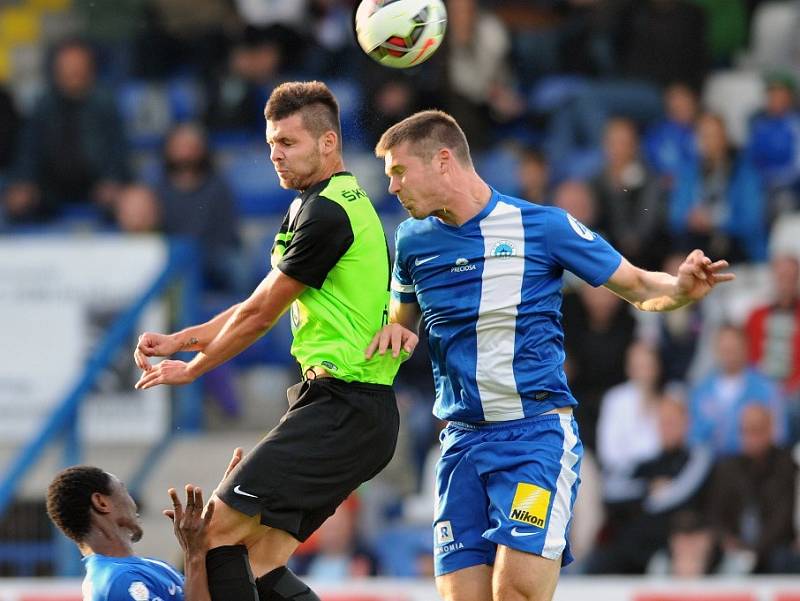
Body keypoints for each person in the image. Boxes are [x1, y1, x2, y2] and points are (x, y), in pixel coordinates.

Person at [366, 109, 734, 601]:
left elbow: (642, 287)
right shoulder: (411, 241)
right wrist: (392, 334)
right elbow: (400, 321)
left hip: (533, 437)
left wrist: (683, 289)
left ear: (444, 161)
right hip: (460, 443)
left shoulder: (541, 227)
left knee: (515, 591)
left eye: (399, 171)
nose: (392, 187)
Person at [132, 81, 402, 601]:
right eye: (270, 143)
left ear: (328, 144)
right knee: (257, 563)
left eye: (288, 143)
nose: (275, 155)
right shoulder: (317, 204)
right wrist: (180, 340)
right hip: (344, 409)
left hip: (343, 408)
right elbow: (253, 302)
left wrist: (193, 369)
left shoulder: (329, 212)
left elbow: (259, 317)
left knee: (211, 539)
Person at [45, 449, 242, 601]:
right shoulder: (116, 581)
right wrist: (194, 555)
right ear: (102, 503)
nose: (133, 502)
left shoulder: (152, 566)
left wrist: (220, 510)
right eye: (123, 489)